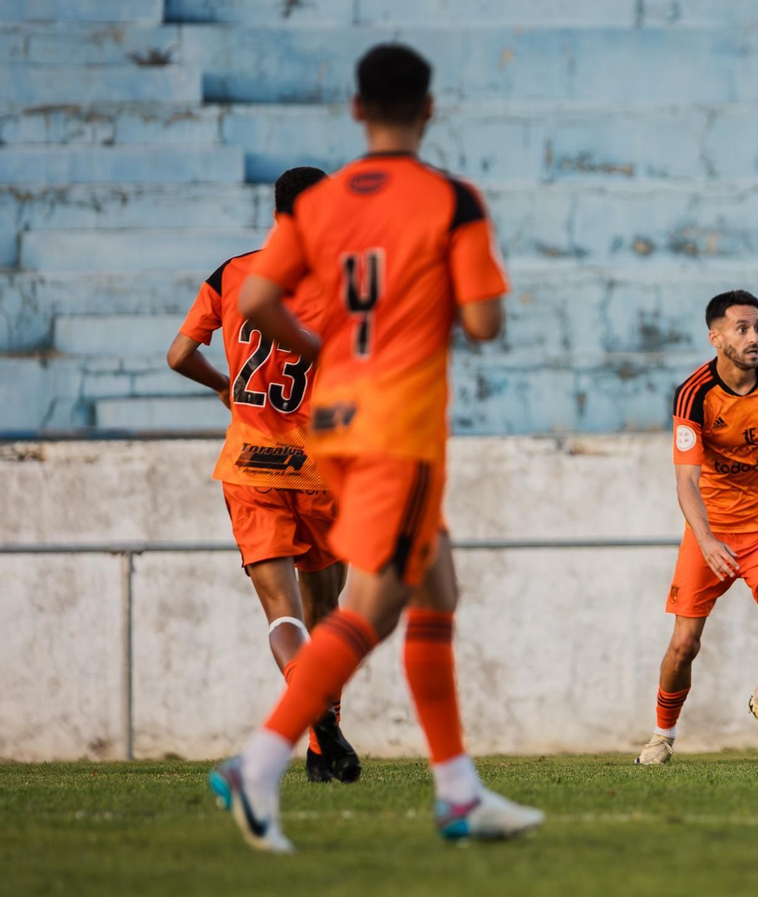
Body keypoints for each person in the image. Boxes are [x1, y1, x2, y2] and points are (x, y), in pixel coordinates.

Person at [206, 42, 542, 853]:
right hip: (399, 423)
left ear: (357, 111)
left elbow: (256, 298)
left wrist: (333, 350)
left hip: (340, 431)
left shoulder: (320, 209)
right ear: (429, 110)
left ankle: (457, 788)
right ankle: (259, 763)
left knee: (434, 590)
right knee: (372, 608)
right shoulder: (447, 199)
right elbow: (486, 322)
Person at [167, 166, 360, 785]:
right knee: (327, 610)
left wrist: (226, 387)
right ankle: (319, 737)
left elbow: (177, 355)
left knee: (284, 615)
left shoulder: (231, 273)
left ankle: (318, 737)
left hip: (249, 463)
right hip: (322, 465)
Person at [634, 290, 758, 765]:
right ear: (716, 337)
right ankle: (662, 736)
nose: (754, 337)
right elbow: (685, 478)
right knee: (684, 645)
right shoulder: (694, 394)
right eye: (742, 328)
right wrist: (704, 539)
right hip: (714, 530)